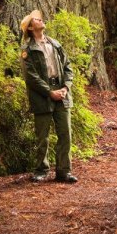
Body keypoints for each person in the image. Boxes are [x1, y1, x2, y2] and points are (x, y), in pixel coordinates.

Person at [19, 10, 78, 183]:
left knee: (65, 133)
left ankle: (63, 172)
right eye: (36, 19)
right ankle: (41, 170)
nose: (40, 19)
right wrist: (49, 92)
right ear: (30, 27)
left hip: (62, 92)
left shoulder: (55, 44)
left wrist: (66, 87)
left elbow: (68, 67)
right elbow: (30, 76)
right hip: (42, 95)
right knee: (42, 136)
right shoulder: (27, 49)